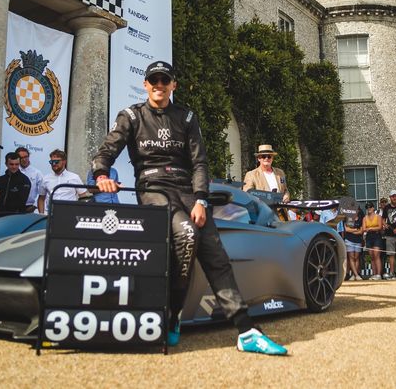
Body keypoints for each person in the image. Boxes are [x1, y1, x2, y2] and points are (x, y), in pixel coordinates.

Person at [92, 61, 286, 355]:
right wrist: (102, 176)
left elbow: (199, 163)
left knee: (216, 255)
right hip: (153, 189)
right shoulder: (131, 115)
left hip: (187, 191)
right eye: (153, 81)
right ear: (146, 84)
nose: (159, 85)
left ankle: (246, 331)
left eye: (164, 81)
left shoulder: (186, 117)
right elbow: (107, 150)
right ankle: (171, 315)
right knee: (185, 234)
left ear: (173, 85)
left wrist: (201, 199)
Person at [37, 149, 87, 214]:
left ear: (64, 162)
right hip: (50, 215)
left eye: (56, 161)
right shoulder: (45, 178)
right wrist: (41, 214)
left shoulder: (74, 177)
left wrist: (79, 213)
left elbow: (83, 196)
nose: (54, 164)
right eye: (51, 162)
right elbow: (41, 198)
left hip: (69, 214)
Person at [16, 146, 42, 212]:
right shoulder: (14, 172)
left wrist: (35, 205)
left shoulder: (37, 173)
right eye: (21, 158)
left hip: (31, 207)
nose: (24, 159)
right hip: (15, 207)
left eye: (26, 157)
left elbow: (42, 191)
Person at [362, 202, 383, 280]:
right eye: (367, 207)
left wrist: (370, 228)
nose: (369, 209)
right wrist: (372, 228)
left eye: (370, 207)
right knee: (372, 256)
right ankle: (374, 273)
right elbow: (363, 228)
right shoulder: (365, 218)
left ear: (373, 208)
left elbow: (380, 227)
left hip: (376, 236)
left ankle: (378, 274)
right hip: (369, 236)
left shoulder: (378, 217)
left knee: (376, 254)